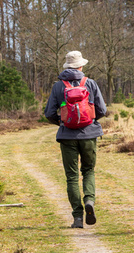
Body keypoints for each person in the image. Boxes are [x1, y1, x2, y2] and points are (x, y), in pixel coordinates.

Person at [44, 51, 107, 229]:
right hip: (88, 135)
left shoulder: (58, 87)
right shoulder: (91, 84)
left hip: (67, 136)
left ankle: (78, 218)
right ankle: (89, 201)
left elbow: (49, 113)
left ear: (67, 66)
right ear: (81, 66)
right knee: (88, 170)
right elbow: (102, 109)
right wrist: (90, 123)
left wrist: (62, 122)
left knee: (71, 177)